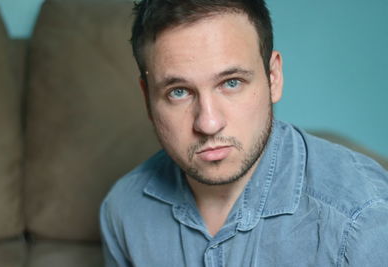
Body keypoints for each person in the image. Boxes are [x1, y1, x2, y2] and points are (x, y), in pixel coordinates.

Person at [100, 0, 388, 266]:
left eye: (232, 83)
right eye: (179, 92)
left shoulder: (363, 218)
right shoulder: (124, 209)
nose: (208, 123)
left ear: (273, 78)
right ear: (147, 97)